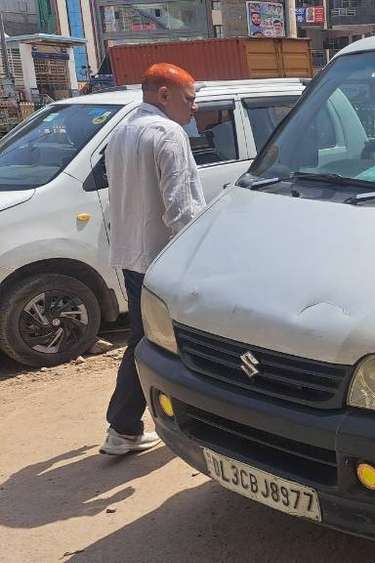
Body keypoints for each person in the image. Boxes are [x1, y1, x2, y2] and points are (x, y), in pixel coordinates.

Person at [101, 63, 206, 455]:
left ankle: (124, 426)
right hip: (165, 261)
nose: (194, 107)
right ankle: (133, 425)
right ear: (164, 95)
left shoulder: (122, 131)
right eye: (188, 98)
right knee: (178, 344)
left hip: (133, 257)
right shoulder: (168, 133)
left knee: (143, 338)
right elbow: (182, 209)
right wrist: (198, 261)